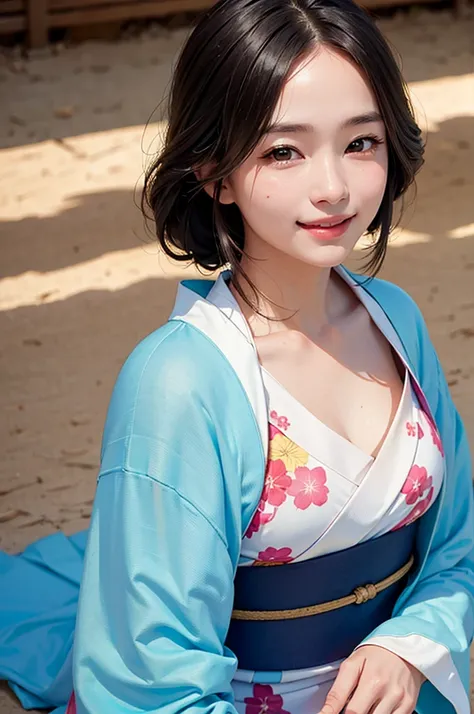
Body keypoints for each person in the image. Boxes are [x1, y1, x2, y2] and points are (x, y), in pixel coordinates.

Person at [1, 1, 473, 713]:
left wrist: (407, 644)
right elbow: (154, 679)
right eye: (283, 150)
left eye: (360, 143)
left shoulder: (395, 318)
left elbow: (458, 549)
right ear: (215, 172)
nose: (334, 188)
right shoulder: (177, 382)